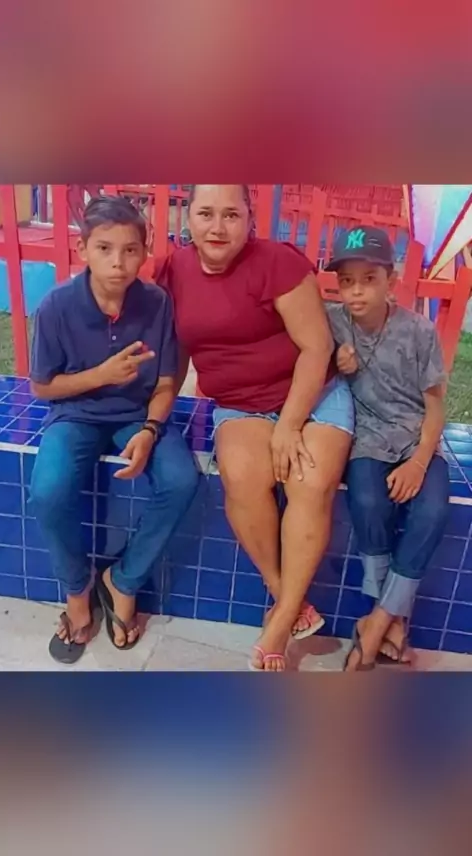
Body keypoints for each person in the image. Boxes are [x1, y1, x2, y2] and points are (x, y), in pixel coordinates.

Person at [155, 184, 355, 671]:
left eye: (231, 214)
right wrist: (155, 411)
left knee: (310, 481)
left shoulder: (278, 263)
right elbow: (177, 350)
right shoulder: (175, 269)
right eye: (205, 213)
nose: (217, 227)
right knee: (242, 478)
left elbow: (316, 347)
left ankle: (280, 623)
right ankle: (287, 598)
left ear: (250, 219)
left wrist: (290, 425)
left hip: (312, 395)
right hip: (239, 403)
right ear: (188, 218)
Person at [29, 195, 199, 664]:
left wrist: (150, 429)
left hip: (136, 415)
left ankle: (122, 580)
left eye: (129, 250)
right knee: (48, 491)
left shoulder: (157, 304)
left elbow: (166, 383)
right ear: (83, 249)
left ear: (144, 252)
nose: (118, 262)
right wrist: (101, 376)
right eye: (104, 249)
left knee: (182, 480)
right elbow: (42, 386)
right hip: (75, 415)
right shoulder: (56, 307)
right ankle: (77, 590)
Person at [325, 226, 450, 671]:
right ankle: (392, 623)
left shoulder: (419, 331)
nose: (356, 292)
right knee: (366, 501)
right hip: (367, 438)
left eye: (369, 280)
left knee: (433, 511)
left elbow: (435, 407)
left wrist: (418, 463)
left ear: (391, 281)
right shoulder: (333, 322)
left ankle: (375, 623)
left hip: (416, 437)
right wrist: (332, 361)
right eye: (347, 281)